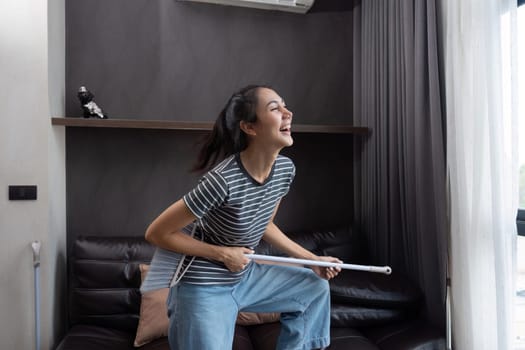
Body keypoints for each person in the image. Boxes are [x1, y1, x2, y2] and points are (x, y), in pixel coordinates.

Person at [142, 85, 342, 350]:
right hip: (202, 287)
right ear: (250, 127)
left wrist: (312, 259)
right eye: (274, 108)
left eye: (284, 104)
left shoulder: (284, 170)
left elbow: (265, 224)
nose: (287, 112)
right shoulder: (221, 181)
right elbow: (156, 233)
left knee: (314, 287)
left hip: (245, 279)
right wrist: (223, 254)